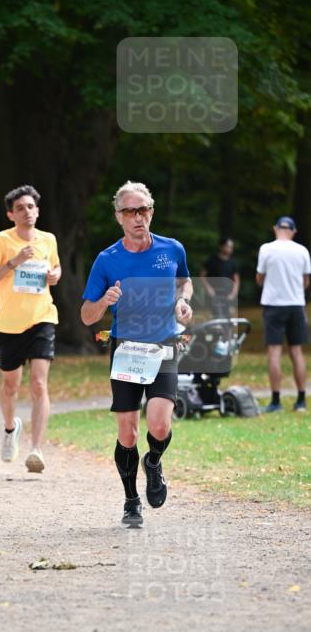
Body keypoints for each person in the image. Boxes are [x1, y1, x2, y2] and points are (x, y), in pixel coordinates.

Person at [80, 181, 193, 528]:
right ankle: (131, 500)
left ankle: (154, 462)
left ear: (151, 212)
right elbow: (87, 316)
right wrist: (104, 301)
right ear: (119, 217)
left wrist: (182, 300)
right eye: (130, 211)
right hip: (126, 349)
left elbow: (185, 281)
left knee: (159, 424)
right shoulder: (107, 260)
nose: (137, 217)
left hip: (163, 345)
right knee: (127, 433)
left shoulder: (172, 249)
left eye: (143, 210)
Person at [0, 185, 61, 473]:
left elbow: (56, 268)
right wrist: (14, 262)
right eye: (20, 208)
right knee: (11, 385)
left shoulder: (49, 239)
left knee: (39, 383)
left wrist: (54, 276)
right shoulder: (0, 241)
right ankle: (10, 428)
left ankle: (36, 449)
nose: (26, 212)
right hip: (9, 324)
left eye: (30, 207)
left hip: (42, 318)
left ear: (37, 211)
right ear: (10, 215)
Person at [256, 215, 310, 413]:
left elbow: (260, 278)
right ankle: (301, 400)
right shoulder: (302, 251)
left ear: (275, 229)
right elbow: (306, 281)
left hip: (274, 305)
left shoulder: (266, 249)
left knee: (274, 352)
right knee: (297, 351)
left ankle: (276, 401)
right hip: (296, 305)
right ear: (293, 231)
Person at [200, 237, 240, 319]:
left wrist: (233, 294)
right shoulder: (212, 260)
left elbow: (236, 280)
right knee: (216, 318)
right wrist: (208, 288)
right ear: (221, 247)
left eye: (231, 247)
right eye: (228, 246)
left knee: (229, 319)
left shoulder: (232, 262)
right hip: (213, 295)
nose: (230, 249)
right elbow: (202, 276)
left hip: (228, 296)